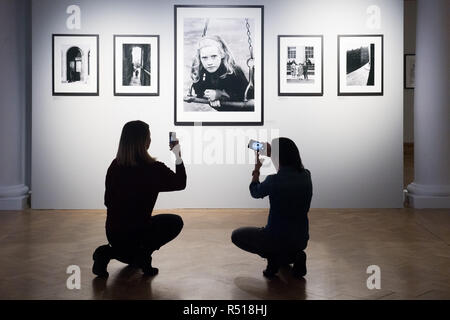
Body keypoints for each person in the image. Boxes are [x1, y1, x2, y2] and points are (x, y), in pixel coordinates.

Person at [92, 120, 186, 278]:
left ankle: (109, 252)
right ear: (144, 141)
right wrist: (177, 155)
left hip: (114, 234)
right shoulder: (153, 169)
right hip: (138, 235)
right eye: (149, 137)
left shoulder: (115, 166)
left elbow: (107, 201)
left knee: (132, 235)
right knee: (175, 221)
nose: (150, 140)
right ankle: (142, 256)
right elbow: (180, 183)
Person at [231, 138, 312, 278]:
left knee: (237, 235)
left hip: (275, 238)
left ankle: (273, 258)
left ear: (277, 156)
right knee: (286, 242)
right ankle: (296, 255)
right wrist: (274, 153)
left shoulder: (274, 180)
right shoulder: (306, 175)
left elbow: (255, 192)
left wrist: (257, 169)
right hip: (300, 239)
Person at [190, 35, 254, 108]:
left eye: (214, 56)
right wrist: (209, 96)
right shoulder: (200, 70)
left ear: (222, 55)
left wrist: (221, 95)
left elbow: (247, 97)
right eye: (204, 58)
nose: (209, 62)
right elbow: (198, 91)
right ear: (199, 58)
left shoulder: (233, 71)